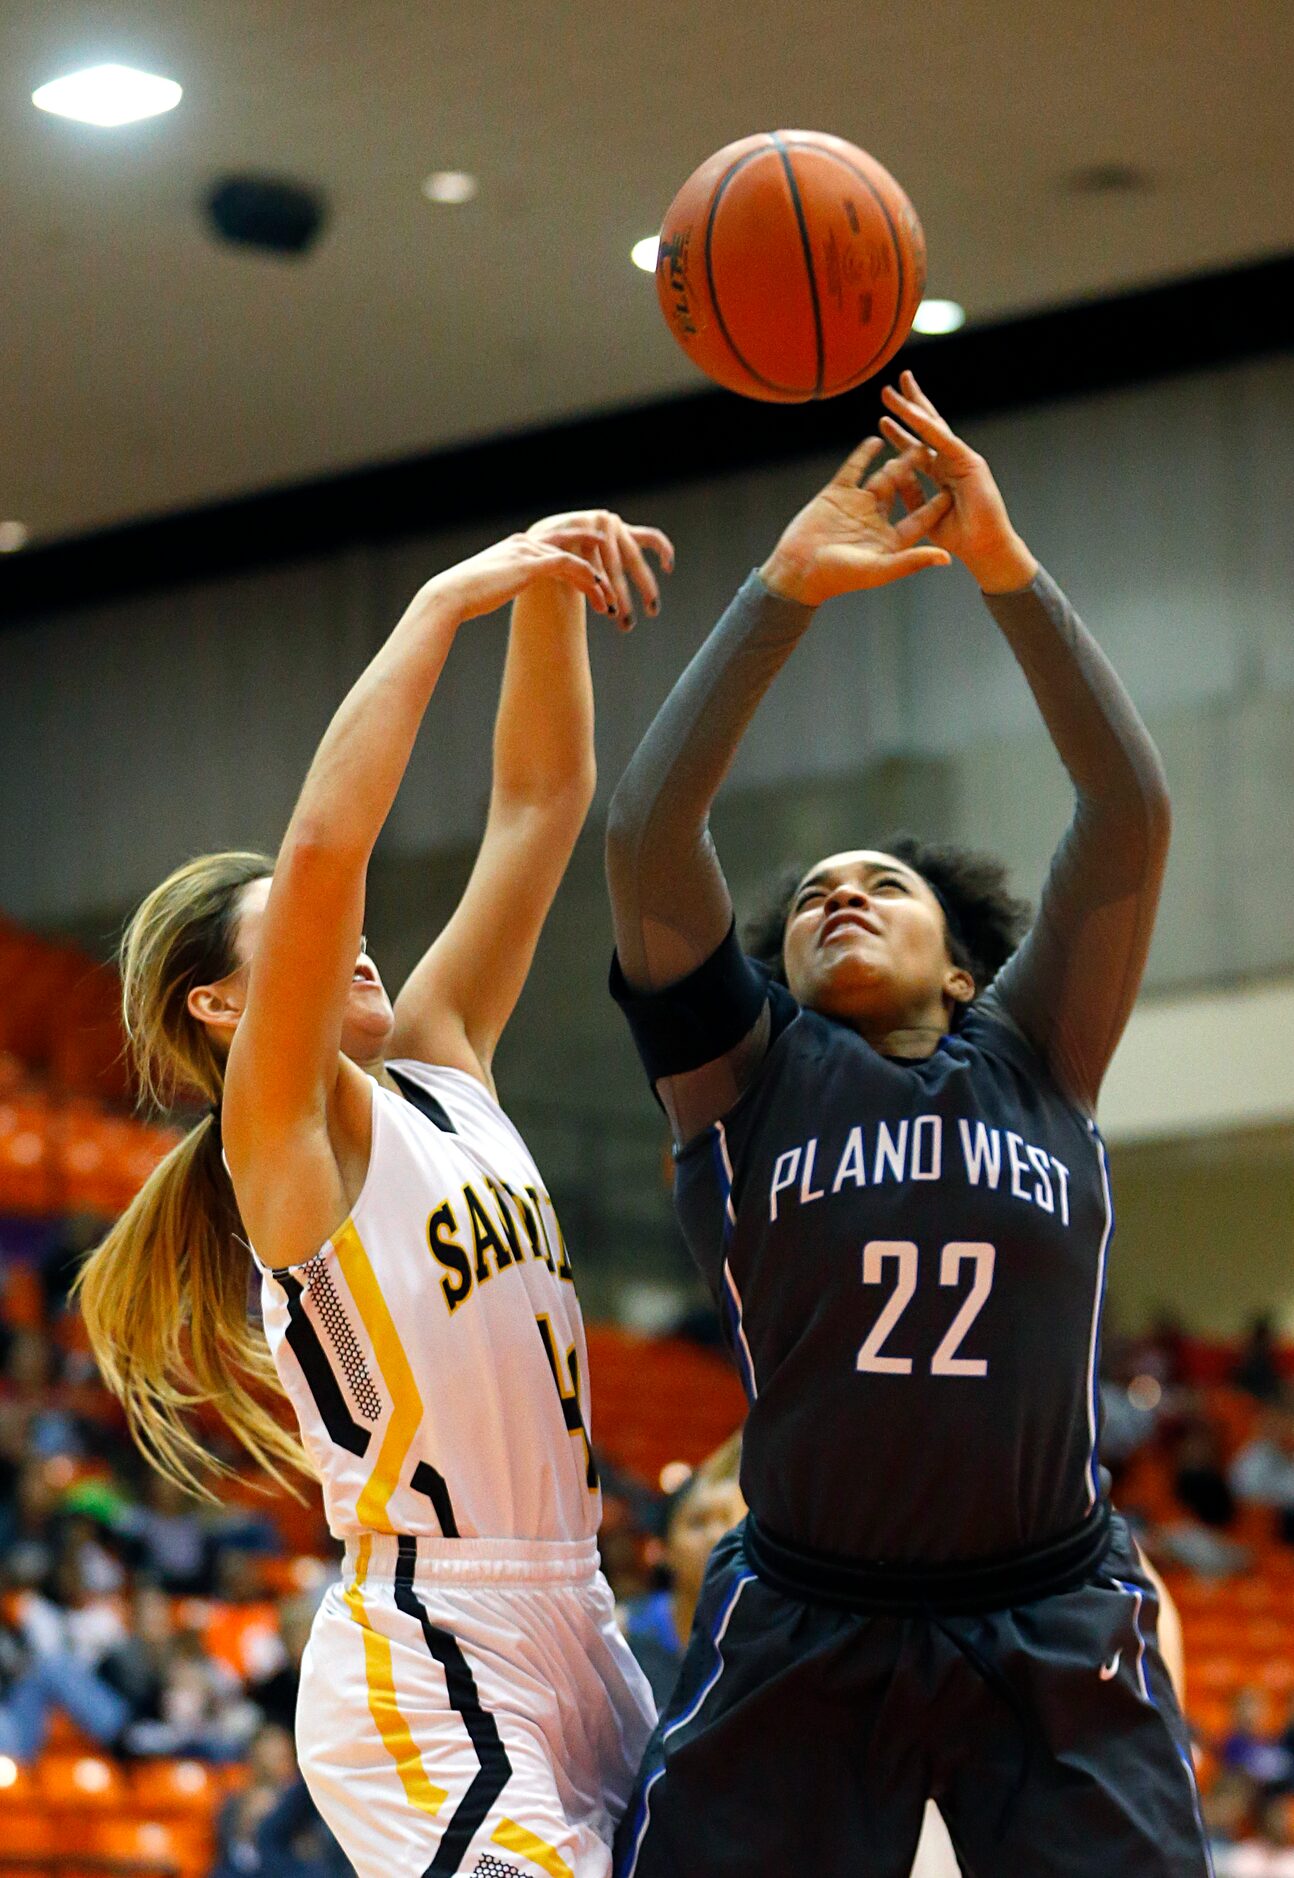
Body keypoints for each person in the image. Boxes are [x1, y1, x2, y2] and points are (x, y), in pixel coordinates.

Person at [604, 373, 1208, 1876]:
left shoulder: (1043, 1050)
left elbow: (1123, 809)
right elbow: (646, 835)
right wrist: (777, 593)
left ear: (961, 960)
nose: (834, 893)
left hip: (1053, 1609)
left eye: (880, 881)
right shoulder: (743, 1077)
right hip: (809, 1614)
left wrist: (1001, 563)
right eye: (809, 894)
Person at [77, 514, 671, 1878]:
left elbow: (541, 802)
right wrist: (445, 597)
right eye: (298, 928)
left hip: (579, 1617)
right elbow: (330, 841)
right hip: (431, 1649)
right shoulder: (285, 1130)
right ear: (227, 1004)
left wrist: (546, 587)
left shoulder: (444, 1061)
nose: (349, 942)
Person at [622, 1434, 746, 1708]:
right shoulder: (620, 1633)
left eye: (730, 1523)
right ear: (663, 1549)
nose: (716, 1537)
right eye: (698, 1523)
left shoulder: (770, 1645)